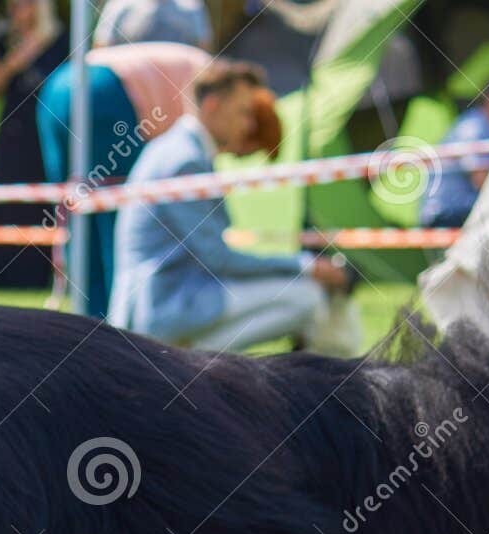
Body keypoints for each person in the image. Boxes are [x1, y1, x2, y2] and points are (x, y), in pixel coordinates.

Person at [108, 58, 348, 351]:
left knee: (303, 295)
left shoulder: (180, 150)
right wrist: (307, 267)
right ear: (211, 105)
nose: (249, 125)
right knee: (307, 298)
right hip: (163, 310)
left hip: (167, 303)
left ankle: (197, 366)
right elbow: (218, 259)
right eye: (243, 112)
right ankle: (193, 364)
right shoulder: (185, 161)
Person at [37, 40, 210, 317]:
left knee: (77, 212)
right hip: (107, 91)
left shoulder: (188, 61)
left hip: (58, 86)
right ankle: (117, 327)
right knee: (117, 224)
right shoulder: (211, 77)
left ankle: (90, 322)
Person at [0, 0, 69, 289]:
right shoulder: (3, 41)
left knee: (40, 203)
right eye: (13, 6)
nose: (17, 11)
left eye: (25, 5)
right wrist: (14, 62)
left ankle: (40, 277)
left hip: (45, 135)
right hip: (11, 137)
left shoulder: (62, 41)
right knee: (5, 202)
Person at [420, 74, 489, 228]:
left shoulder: (486, 128)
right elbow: (482, 180)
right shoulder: (476, 129)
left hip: (455, 211)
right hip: (447, 214)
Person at [93, 0, 214, 49]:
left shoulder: (192, 7)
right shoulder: (119, 5)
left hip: (177, 93)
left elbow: (203, 50)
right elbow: (100, 48)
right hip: (126, 94)